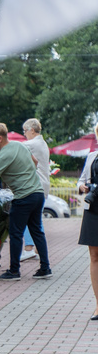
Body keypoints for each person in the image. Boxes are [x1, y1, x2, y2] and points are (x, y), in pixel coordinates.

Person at [0, 123, 52, 281]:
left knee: (16, 233)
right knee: (37, 231)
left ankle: (14, 271)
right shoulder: (20, 145)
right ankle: (45, 268)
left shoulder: (3, 155)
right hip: (37, 193)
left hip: (23, 197)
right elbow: (35, 162)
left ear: (0, 138)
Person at [76, 126, 98, 320]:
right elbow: (81, 180)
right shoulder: (92, 156)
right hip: (94, 208)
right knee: (94, 255)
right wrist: (82, 186)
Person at [22, 118, 51, 260]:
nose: (24, 134)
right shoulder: (42, 143)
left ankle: (29, 247)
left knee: (28, 217)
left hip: (35, 185)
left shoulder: (32, 144)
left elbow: (15, 148)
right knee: (36, 219)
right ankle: (38, 249)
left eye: (25, 131)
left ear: (32, 130)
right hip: (43, 185)